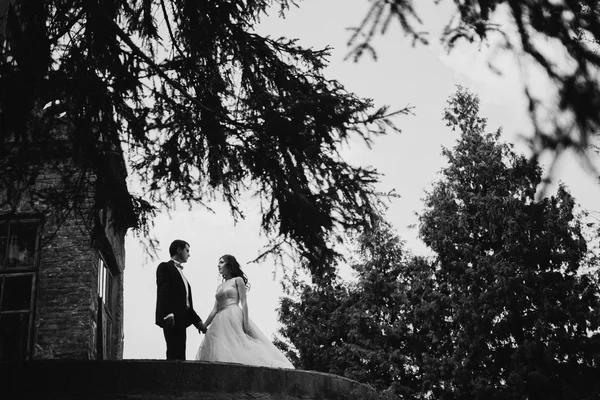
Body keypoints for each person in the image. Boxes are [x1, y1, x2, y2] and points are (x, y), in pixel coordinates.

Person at [195, 254, 294, 369]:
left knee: (238, 342)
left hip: (233, 314)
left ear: (229, 264)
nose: (218, 265)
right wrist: (204, 325)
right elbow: (215, 309)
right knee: (220, 346)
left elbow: (244, 302)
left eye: (221, 262)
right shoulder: (220, 287)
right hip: (219, 319)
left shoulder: (238, 280)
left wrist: (246, 322)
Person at [155, 239, 206, 360]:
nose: (189, 254)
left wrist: (199, 323)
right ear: (179, 250)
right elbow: (163, 292)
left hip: (182, 321)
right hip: (171, 319)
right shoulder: (165, 267)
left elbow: (187, 305)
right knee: (173, 354)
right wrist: (168, 314)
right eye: (187, 250)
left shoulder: (183, 277)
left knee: (180, 356)